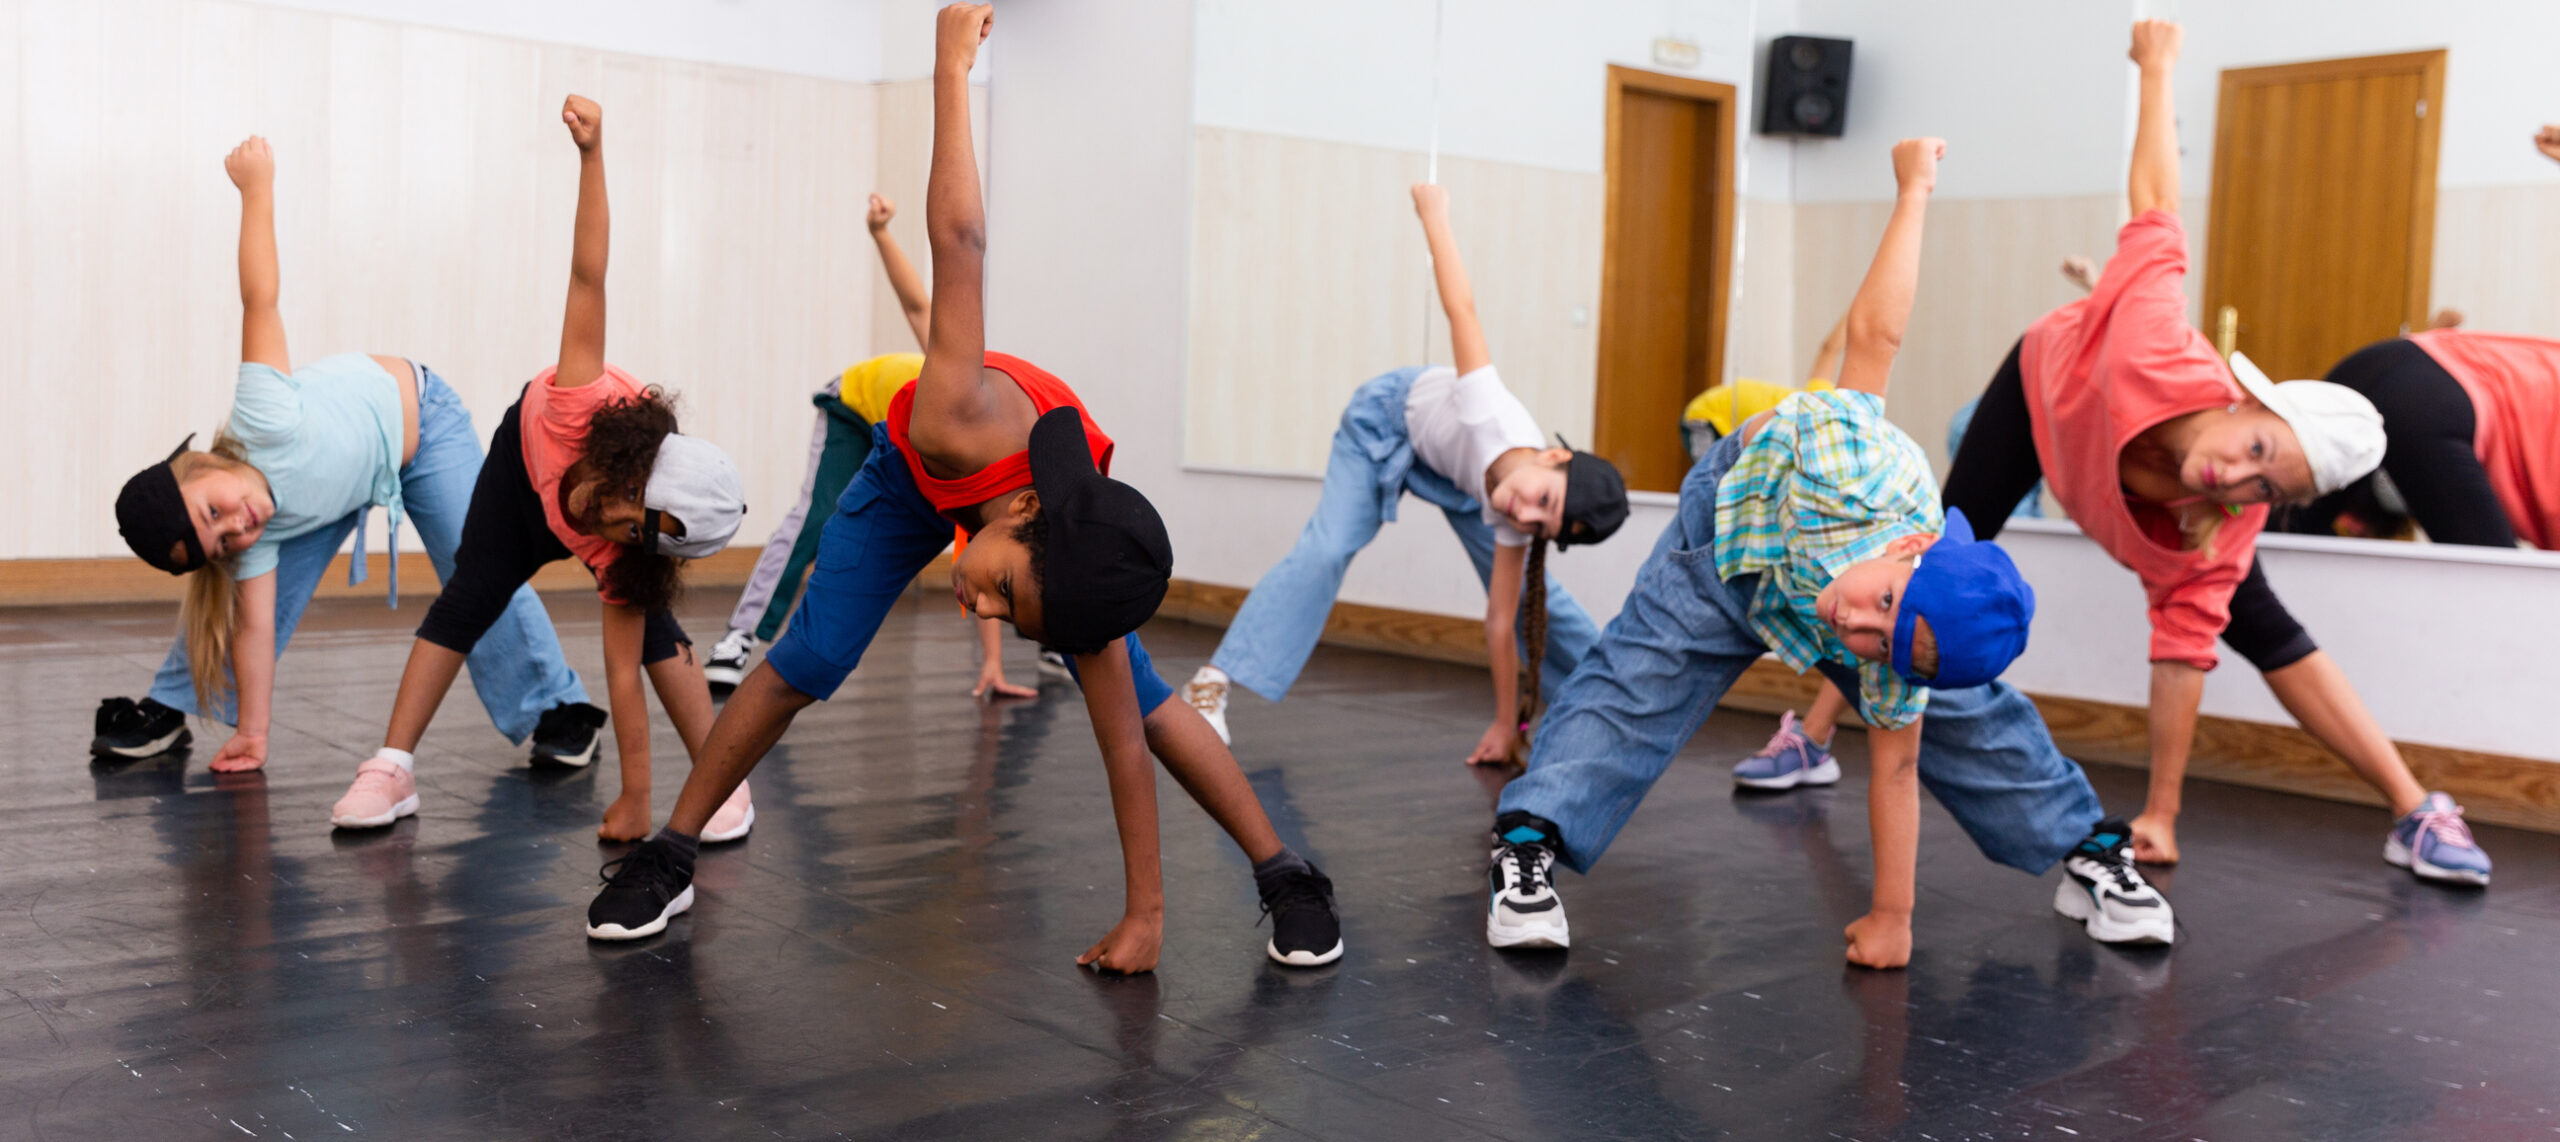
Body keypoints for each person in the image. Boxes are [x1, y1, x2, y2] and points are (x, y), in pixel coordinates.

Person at [584, 5, 1346, 973]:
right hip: (915, 476)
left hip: (998, 512)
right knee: (805, 657)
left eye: (1006, 616)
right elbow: (961, 241)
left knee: (1145, 700)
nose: (975, 606)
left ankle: (1286, 874)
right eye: (1000, 592)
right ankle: (671, 853)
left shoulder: (1079, 560)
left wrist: (1147, 916)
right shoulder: (958, 415)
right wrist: (949, 68)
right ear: (1025, 512)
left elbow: (1120, 746)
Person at [1482, 137, 2175, 969]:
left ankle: (2089, 849)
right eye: (1883, 606)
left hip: (1839, 574)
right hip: (1735, 534)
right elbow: (1877, 334)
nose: (1854, 624)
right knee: (1641, 674)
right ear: (1913, 546)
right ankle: (1528, 845)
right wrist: (1913, 189)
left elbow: (1894, 771)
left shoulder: (1892, 651)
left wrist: (1894, 915)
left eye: (1884, 642)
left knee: (1967, 714)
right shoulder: (1852, 471)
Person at [1938, 20, 2487, 885]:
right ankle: (1810, 732)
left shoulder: (2219, 527)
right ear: (2244, 399)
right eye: (2256, 448)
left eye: (2268, 487)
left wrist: (2160, 813)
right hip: (2046, 382)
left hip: (2123, 491)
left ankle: (2416, 809)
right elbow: (2156, 197)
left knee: (2264, 629)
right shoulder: (2158, 344)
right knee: (1943, 546)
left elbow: (2178, 660)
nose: (2236, 478)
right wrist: (2158, 70)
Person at [325, 95, 755, 846]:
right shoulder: (578, 400)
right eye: (625, 508)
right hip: (523, 473)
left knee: (654, 636)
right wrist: (592, 156)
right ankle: (390, 769)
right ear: (631, 469)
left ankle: (723, 781)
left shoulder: (627, 546)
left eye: (633, 534)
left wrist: (636, 799)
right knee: (472, 591)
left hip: (569, 504)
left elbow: (620, 678)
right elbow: (589, 274)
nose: (612, 526)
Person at [98, 135, 600, 776]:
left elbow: (261, 298)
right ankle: (178, 704)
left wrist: (256, 190)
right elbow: (254, 631)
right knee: (250, 597)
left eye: (214, 511)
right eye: (218, 539)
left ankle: (559, 708)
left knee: (481, 563)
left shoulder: (262, 414)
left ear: (206, 466)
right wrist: (255, 733)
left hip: (424, 431)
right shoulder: (257, 530)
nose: (235, 526)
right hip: (328, 488)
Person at [1179, 182, 1630, 762]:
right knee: (1328, 549)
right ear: (1553, 457)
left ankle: (1610, 703)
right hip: (1384, 425)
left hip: (1458, 475)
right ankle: (1209, 684)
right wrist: (1434, 215)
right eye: (1543, 498)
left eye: (1543, 523)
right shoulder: (1487, 408)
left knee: (1531, 598)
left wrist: (1500, 724)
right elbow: (1460, 307)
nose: (1526, 512)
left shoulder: (1515, 509)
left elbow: (1497, 620)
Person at [701, 193, 1034, 702]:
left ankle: (1054, 642)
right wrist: (880, 233)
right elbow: (918, 303)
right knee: (816, 516)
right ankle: (739, 636)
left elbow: (982, 549)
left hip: (903, 435)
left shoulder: (998, 462)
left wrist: (992, 662)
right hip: (854, 402)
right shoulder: (959, 375)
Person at [1679, 315, 1843, 463]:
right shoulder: (1821, 410)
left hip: (1731, 423)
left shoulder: (1823, 402)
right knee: (1713, 481)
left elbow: (1830, 349)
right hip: (1708, 415)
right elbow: (1830, 348)